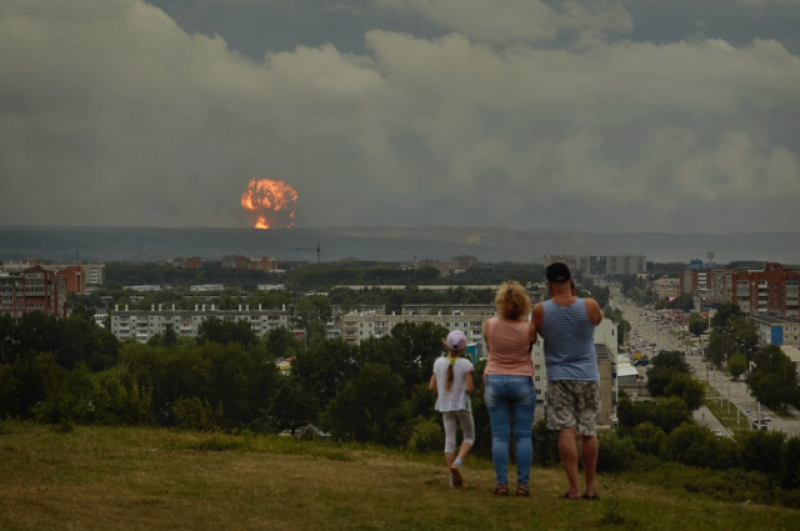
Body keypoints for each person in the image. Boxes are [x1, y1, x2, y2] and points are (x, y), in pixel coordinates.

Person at [532, 263, 603, 501]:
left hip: (559, 377)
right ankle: (590, 489)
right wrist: (574, 293)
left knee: (566, 429)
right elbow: (598, 320)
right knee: (589, 430)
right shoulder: (590, 305)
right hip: (588, 376)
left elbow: (535, 335)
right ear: (571, 280)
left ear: (548, 284)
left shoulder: (541, 310)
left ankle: (573, 489)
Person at [482, 281, 537, 497]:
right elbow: (529, 347)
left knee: (499, 436)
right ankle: (522, 485)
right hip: (522, 381)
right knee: (523, 436)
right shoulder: (529, 329)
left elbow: (489, 345)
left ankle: (501, 483)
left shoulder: (489, 325)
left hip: (495, 381)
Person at [429, 330, 475, 487]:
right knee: (469, 437)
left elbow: (432, 386)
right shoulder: (466, 364)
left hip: (445, 406)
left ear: (446, 345)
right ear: (463, 349)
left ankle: (452, 481)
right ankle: (458, 462)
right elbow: (469, 388)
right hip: (462, 405)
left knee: (449, 442)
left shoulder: (438, 363)